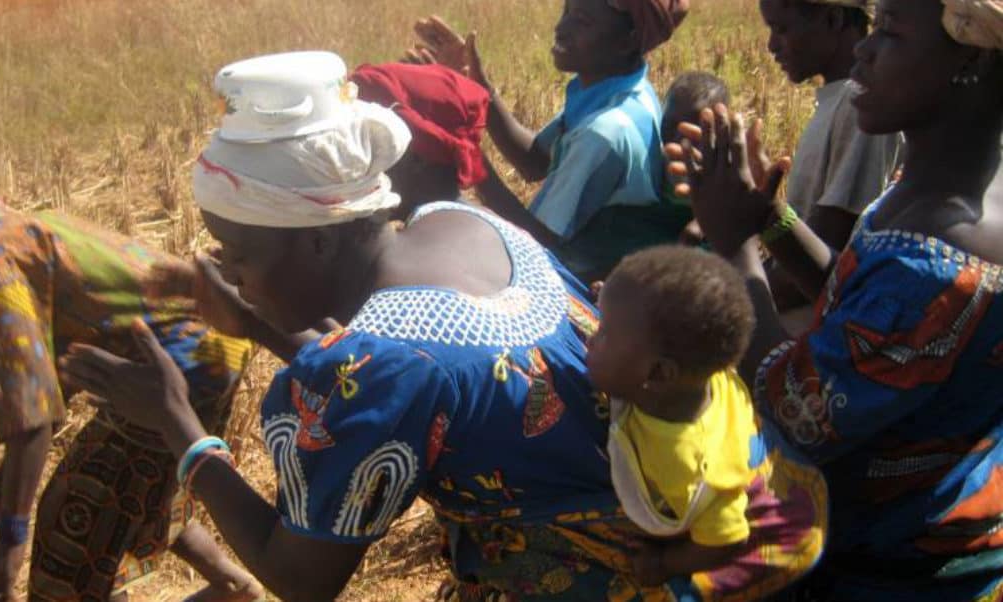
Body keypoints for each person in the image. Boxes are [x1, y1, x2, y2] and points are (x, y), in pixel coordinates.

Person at [60, 50, 827, 602]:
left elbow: (299, 577)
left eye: (238, 253)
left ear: (320, 240)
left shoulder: (379, 367)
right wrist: (262, 327)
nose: (228, 272)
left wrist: (175, 423)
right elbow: (437, 359)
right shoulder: (457, 221)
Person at [668, 0, 1003, 598]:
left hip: (884, 561)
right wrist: (771, 220)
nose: (861, 50)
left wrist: (733, 245)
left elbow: (795, 407)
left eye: (891, 34)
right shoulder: (937, 186)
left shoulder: (942, 255)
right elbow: (853, 301)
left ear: (970, 61)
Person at [0, 183, 260, 601]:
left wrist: (11, 538)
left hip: (176, 367)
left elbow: (31, 416)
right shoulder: (7, 231)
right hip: (208, 349)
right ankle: (233, 587)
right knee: (132, 495)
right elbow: (51, 382)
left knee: (70, 528)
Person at [588, 245, 826, 596]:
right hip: (777, 471)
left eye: (604, 332)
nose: (592, 336)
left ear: (657, 373)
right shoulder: (695, 371)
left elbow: (726, 539)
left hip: (772, 537)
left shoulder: (684, 462)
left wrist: (665, 563)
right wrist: (619, 313)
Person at [407, 0, 692, 283]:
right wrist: (476, 83)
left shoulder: (605, 132)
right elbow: (533, 162)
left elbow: (536, 244)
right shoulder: (622, 90)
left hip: (574, 283)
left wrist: (462, 144)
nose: (560, 28)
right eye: (566, 11)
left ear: (627, 40)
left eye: (581, 21)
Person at [759, 0, 904, 325]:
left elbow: (823, 257)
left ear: (834, 19)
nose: (771, 45)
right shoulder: (838, 102)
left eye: (781, 29)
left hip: (812, 339)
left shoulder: (858, 108)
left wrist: (734, 295)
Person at [351, 61, 491, 220]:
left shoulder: (433, 240)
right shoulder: (481, 226)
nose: (357, 160)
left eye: (371, 146)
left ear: (417, 158)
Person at [658, 72, 730, 246]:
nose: (678, 139)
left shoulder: (725, 170)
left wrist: (699, 226)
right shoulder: (653, 158)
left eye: (691, 130)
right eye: (669, 125)